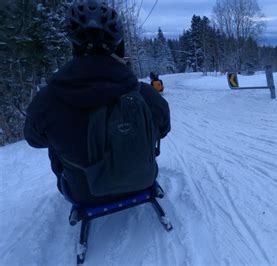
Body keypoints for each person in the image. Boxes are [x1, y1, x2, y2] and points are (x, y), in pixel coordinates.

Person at [24, 0, 170, 206]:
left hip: (83, 195)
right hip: (143, 181)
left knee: (53, 144)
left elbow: (34, 140)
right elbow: (163, 129)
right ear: (118, 45)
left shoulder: (47, 101)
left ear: (73, 44)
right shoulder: (146, 94)